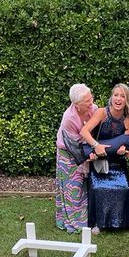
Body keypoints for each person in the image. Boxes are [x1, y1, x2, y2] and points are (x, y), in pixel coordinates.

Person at [79, 84, 129, 235]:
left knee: (124, 189)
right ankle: (99, 222)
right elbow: (84, 132)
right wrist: (96, 145)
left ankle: (128, 221)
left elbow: (127, 142)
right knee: (99, 189)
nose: (118, 99)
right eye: (116, 95)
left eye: (122, 96)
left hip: (117, 162)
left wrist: (124, 151)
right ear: (112, 97)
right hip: (100, 161)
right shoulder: (101, 112)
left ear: (127, 100)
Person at [55, 83, 98, 232]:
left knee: (85, 184)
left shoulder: (94, 109)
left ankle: (87, 217)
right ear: (77, 104)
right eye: (87, 100)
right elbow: (74, 145)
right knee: (72, 186)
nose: (91, 102)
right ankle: (73, 221)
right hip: (68, 151)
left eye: (90, 97)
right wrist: (88, 155)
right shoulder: (69, 118)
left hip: (86, 149)